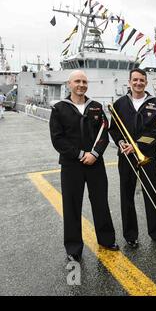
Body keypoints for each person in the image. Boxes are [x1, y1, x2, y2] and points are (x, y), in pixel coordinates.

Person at [49, 70, 119, 262]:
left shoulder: (96, 107)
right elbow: (58, 140)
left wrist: (95, 154)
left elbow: (105, 133)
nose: (81, 84)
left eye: (84, 81)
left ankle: (106, 240)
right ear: (69, 84)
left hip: (96, 163)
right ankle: (73, 248)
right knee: (72, 206)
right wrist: (81, 155)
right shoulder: (59, 109)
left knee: (101, 203)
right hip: (72, 165)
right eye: (77, 81)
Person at [109, 68, 156, 248]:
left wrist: (137, 146)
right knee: (127, 196)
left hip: (146, 154)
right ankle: (130, 236)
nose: (138, 83)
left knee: (152, 194)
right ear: (130, 81)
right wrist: (120, 142)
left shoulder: (155, 104)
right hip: (125, 156)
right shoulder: (119, 104)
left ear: (146, 83)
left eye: (142, 80)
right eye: (135, 80)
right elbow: (114, 129)